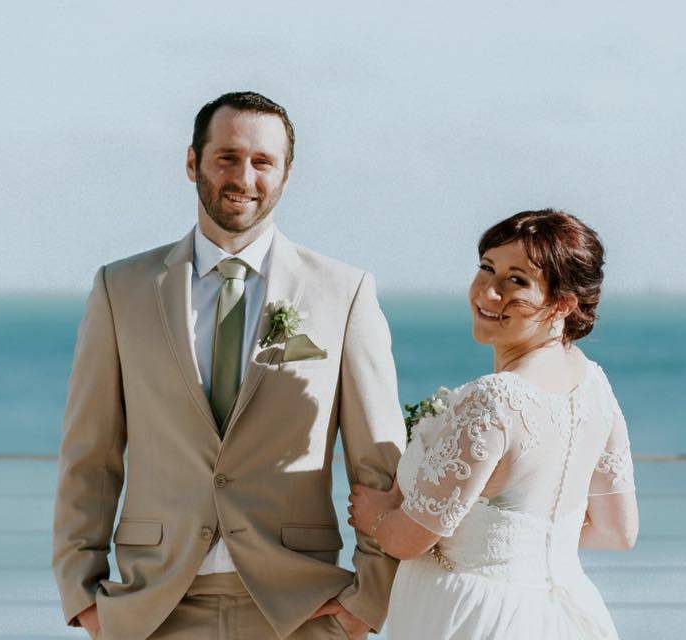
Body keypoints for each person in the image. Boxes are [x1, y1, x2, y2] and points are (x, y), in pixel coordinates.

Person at [52, 91, 406, 640]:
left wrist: (370, 598)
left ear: (287, 174)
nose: (245, 176)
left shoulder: (345, 293)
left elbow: (379, 462)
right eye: (227, 158)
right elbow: (90, 454)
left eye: (263, 161)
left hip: (300, 607)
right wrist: (83, 594)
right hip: (154, 608)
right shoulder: (120, 289)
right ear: (192, 162)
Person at [348, 210, 638, 639]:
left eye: (516, 280)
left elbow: (409, 540)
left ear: (562, 304)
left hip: (476, 618)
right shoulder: (594, 385)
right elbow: (618, 530)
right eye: (487, 268)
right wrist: (522, 543)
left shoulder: (495, 399)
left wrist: (374, 517)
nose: (489, 290)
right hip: (561, 615)